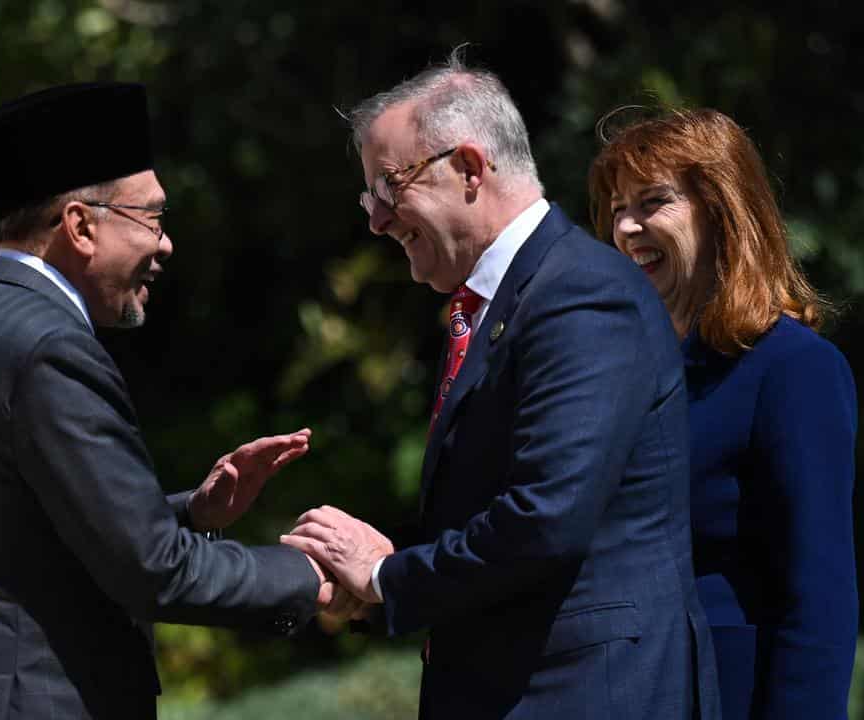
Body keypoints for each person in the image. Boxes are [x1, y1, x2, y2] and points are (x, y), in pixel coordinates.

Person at [0, 82, 334, 720]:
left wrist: (190, 513)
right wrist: (313, 575)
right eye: (152, 217)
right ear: (81, 226)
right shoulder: (48, 347)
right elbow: (154, 572)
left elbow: (21, 535)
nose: (165, 244)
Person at [281, 53, 719, 719]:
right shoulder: (499, 304)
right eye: (368, 197)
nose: (376, 220)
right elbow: (487, 511)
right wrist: (373, 576)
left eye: (389, 187)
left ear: (469, 168)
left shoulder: (581, 296)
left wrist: (384, 576)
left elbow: (544, 522)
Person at [587, 107, 859, 719]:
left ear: (721, 209)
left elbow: (819, 595)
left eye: (652, 202)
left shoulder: (793, 367)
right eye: (616, 208)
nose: (626, 228)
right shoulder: (625, 369)